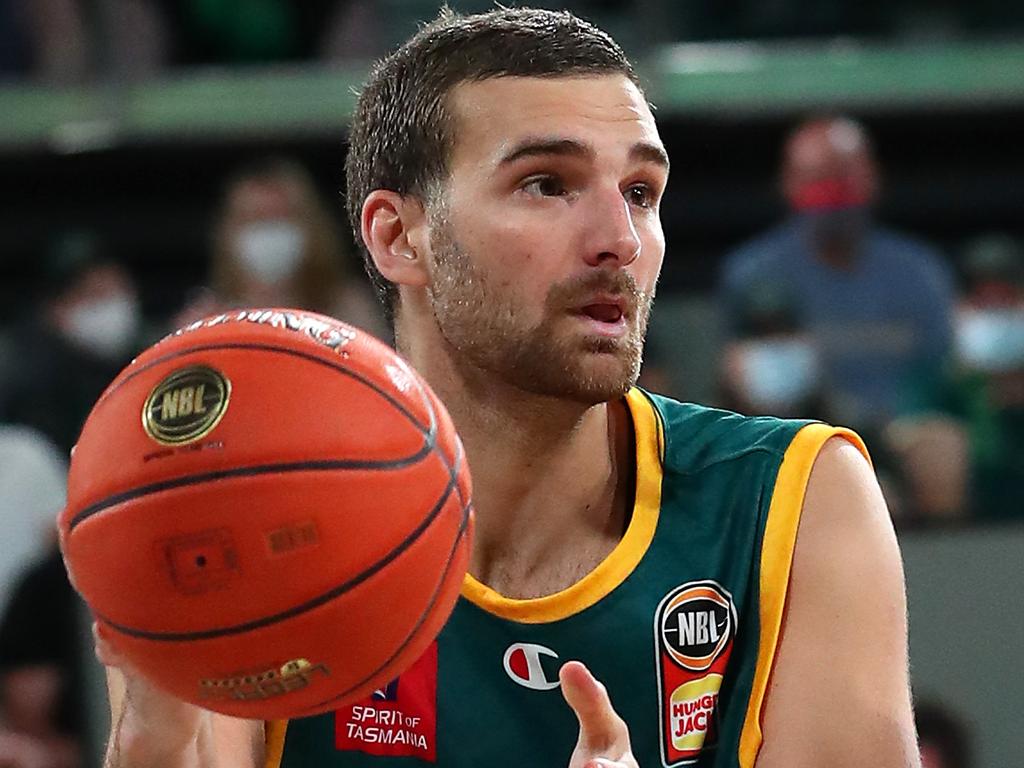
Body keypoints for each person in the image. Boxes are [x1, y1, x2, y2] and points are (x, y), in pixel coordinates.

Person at [95, 8, 918, 768]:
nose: (619, 240)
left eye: (640, 193)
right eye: (547, 184)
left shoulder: (797, 498)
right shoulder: (246, 516)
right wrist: (150, 752)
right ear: (398, 235)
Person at [719, 116, 956, 433]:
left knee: (940, 440)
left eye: (843, 177)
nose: (832, 193)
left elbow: (945, 373)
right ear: (788, 184)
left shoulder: (920, 270)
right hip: (800, 433)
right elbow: (733, 380)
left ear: (871, 178)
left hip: (902, 431)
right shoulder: (751, 272)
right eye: (817, 179)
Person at [176, 157, 387, 340]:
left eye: (282, 216)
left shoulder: (351, 313)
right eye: (255, 217)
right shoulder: (203, 324)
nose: (270, 230)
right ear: (228, 231)